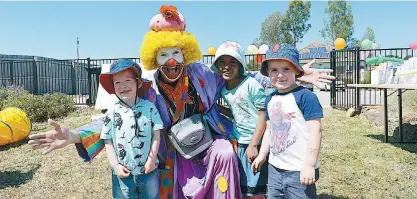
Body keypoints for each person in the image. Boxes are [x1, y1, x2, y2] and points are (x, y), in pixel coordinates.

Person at [28, 5, 334, 199]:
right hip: (171, 151)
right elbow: (115, 117)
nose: (171, 61)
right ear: (154, 57)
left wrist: (292, 75)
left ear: (185, 53)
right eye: (164, 55)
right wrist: (73, 136)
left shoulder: (202, 74)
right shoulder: (147, 90)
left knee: (226, 152)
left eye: (176, 53)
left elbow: (242, 78)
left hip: (208, 140)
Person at [251, 44, 323, 199]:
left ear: (296, 70)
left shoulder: (306, 97)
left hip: (299, 170)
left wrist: (309, 165)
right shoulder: (270, 99)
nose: (280, 75)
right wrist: (263, 154)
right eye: (274, 70)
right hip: (275, 168)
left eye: (286, 69)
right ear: (268, 73)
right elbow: (269, 130)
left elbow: (315, 132)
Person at [98, 59, 164, 198]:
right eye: (117, 82)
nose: (123, 86)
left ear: (138, 83)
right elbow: (107, 140)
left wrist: (151, 161)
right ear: (113, 87)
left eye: (127, 80)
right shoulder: (112, 112)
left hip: (148, 171)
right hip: (123, 173)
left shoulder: (150, 108)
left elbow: (156, 136)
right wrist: (115, 165)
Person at [211, 41, 268, 199]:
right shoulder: (224, 91)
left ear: (240, 65)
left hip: (256, 142)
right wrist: (215, 108)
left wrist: (254, 144)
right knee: (245, 187)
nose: (226, 66)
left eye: (232, 62)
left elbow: (263, 115)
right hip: (239, 142)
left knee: (256, 189)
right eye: (222, 62)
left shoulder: (251, 84)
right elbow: (237, 112)